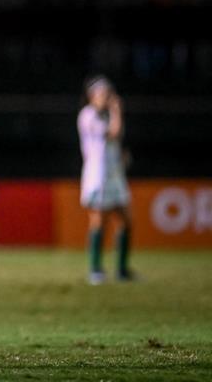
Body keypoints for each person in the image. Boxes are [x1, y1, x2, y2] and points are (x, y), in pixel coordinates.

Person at [77, 75, 134, 285]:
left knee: (126, 221)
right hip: (98, 177)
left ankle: (121, 270)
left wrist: (121, 155)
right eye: (102, 93)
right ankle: (95, 270)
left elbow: (115, 141)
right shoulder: (88, 115)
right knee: (98, 221)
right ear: (92, 96)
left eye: (108, 93)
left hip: (115, 175)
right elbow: (113, 133)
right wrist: (117, 110)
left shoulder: (107, 115)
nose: (106, 97)